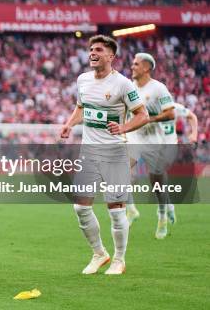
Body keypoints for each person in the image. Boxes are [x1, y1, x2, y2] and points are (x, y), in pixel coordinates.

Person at [60, 35, 148, 275]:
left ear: (111, 56)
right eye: (90, 49)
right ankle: (99, 253)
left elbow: (142, 115)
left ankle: (119, 259)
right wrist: (69, 124)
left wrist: (123, 128)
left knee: (116, 209)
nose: (92, 53)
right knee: (80, 208)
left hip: (114, 153)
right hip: (88, 153)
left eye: (98, 49)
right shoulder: (83, 80)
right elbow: (81, 107)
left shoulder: (123, 84)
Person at [126, 53, 175, 239]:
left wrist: (149, 118)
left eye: (136, 64)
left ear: (146, 68)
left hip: (154, 140)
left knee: (157, 183)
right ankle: (131, 210)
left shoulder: (158, 88)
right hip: (133, 137)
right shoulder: (129, 87)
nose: (132, 67)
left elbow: (170, 113)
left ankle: (162, 215)